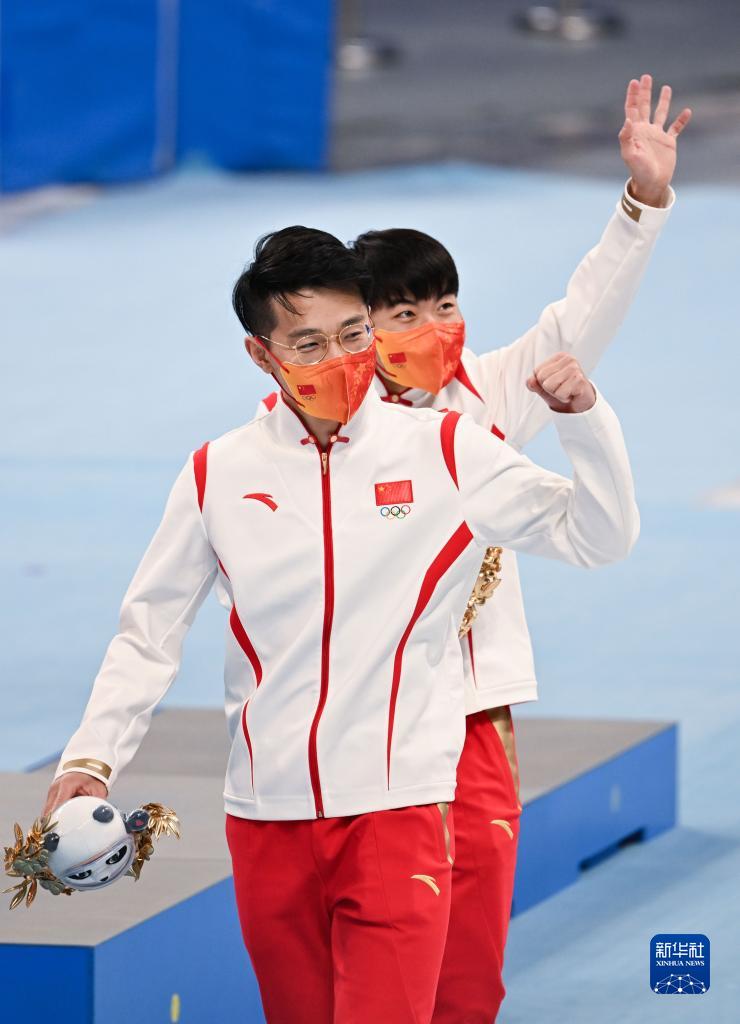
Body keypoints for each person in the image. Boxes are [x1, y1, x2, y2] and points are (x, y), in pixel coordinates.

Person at [43, 226, 638, 1024]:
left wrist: (585, 423)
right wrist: (92, 757)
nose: (342, 358)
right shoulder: (218, 473)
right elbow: (148, 632)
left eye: (355, 333)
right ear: (262, 355)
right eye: (310, 343)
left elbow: (600, 538)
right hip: (265, 820)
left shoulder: (447, 449)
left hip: (398, 812)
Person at [331, 74, 688, 1023]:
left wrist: (643, 198)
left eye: (446, 305)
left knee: (471, 965)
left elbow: (583, 315)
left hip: (474, 716)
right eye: (405, 314)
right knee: (375, 958)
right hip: (363, 719)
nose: (435, 329)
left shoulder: (484, 397)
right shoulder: (326, 432)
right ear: (362, 330)